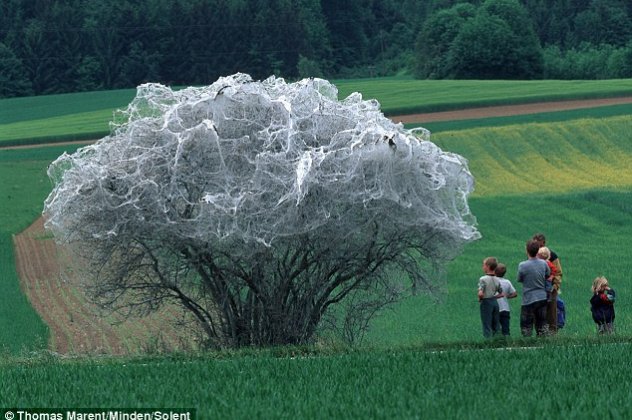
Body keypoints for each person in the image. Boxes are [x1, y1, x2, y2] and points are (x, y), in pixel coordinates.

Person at [518, 239, 550, 337]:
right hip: (542, 296)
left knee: (526, 323)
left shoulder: (522, 265)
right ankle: (543, 341)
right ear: (538, 250)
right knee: (542, 322)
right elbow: (547, 274)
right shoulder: (543, 263)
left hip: (528, 298)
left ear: (527, 250)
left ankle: (527, 343)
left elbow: (519, 279)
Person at [533, 233, 563, 333]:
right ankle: (540, 333)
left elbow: (558, 273)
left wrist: (555, 285)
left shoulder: (552, 256)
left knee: (551, 313)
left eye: (540, 245)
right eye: (536, 246)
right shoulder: (532, 256)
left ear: (544, 243)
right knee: (538, 313)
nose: (538, 248)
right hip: (537, 289)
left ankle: (552, 334)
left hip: (551, 288)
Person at [478, 256, 504, 338]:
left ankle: (488, 340)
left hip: (486, 302)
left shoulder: (483, 279)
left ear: (488, 267)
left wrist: (480, 298)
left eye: (484, 265)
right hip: (495, 302)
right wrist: (494, 297)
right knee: (496, 323)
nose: (483, 267)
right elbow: (501, 293)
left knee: (486, 323)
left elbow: (480, 293)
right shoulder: (497, 279)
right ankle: (498, 340)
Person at [495, 263, 518, 336]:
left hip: (495, 308)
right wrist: (507, 296)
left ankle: (496, 341)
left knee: (495, 328)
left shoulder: (492, 281)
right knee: (506, 328)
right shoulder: (507, 282)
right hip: (505, 308)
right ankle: (507, 341)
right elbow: (514, 293)